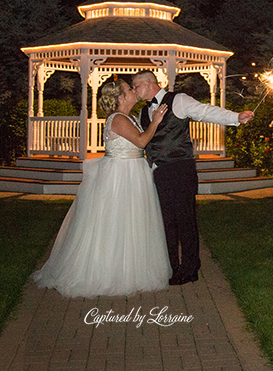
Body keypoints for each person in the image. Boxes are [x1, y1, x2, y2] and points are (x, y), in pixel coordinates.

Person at [31, 79, 171, 298]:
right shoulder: (117, 119)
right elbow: (142, 141)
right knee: (116, 223)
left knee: (132, 222)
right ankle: (109, 272)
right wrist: (155, 121)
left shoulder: (130, 117)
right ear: (120, 98)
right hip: (120, 176)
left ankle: (131, 269)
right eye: (129, 89)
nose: (133, 91)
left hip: (134, 173)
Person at [132, 70, 254, 285]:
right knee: (166, 222)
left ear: (148, 83)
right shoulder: (143, 113)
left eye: (136, 86)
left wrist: (236, 117)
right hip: (157, 172)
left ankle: (190, 268)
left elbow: (206, 112)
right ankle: (172, 268)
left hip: (180, 169)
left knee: (184, 220)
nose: (134, 91)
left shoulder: (178, 100)